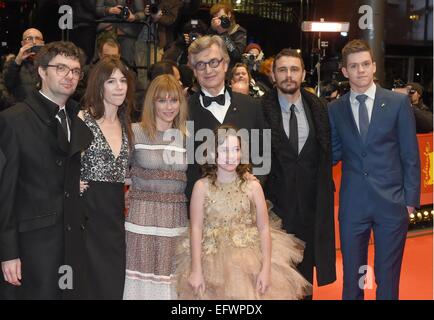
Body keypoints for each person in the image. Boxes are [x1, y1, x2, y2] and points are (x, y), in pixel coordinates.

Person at [328, 39, 420, 300]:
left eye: (366, 64)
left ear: (374, 66)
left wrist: (410, 201)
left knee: (387, 276)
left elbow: (410, 154)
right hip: (353, 205)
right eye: (354, 66)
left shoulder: (397, 103)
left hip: (392, 204)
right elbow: (333, 153)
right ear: (345, 71)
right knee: (353, 277)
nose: (361, 71)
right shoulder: (335, 109)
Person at [0, 41, 92, 299]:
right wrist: (8, 253)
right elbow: (4, 195)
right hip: (33, 249)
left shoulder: (77, 118)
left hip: (71, 245)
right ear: (41, 71)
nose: (69, 76)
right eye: (61, 68)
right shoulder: (13, 121)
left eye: (75, 70)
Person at [176, 125, 312, 299]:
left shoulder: (252, 186)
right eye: (224, 150)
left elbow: (263, 228)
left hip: (249, 262)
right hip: (210, 261)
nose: (231, 156)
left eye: (236, 150)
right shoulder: (201, 187)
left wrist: (266, 269)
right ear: (212, 154)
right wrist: (196, 270)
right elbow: (196, 228)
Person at [261, 49, 336, 298]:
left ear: (303, 74)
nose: (288, 75)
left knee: (305, 285)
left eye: (294, 69)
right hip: (273, 213)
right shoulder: (259, 110)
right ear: (273, 75)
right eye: (282, 70)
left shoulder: (319, 109)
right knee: (272, 283)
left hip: (310, 212)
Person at [123, 74, 189, 300]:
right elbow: (119, 173)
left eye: (174, 100)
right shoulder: (134, 131)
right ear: (152, 102)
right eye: (162, 100)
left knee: (172, 284)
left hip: (175, 222)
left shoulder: (187, 136)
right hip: (141, 220)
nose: (169, 107)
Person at [79, 56, 134, 299]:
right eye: (112, 81)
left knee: (112, 286)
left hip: (114, 217)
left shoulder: (127, 125)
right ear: (99, 85)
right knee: (88, 286)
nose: (119, 87)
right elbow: (62, 164)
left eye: (123, 81)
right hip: (86, 216)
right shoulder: (82, 119)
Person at [185, 35, 264, 200]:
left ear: (225, 64)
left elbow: (264, 158)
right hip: (200, 210)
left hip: (245, 207)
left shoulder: (252, 106)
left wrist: (252, 190)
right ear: (194, 70)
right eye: (200, 64)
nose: (208, 70)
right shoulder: (182, 111)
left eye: (214, 62)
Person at [96, 0, 145, 68]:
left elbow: (142, 13)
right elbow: (97, 9)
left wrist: (134, 17)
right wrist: (109, 10)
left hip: (127, 32)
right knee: (105, 61)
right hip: (107, 28)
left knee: (127, 63)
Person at [2, 28, 44, 102]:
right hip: (21, 107)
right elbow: (7, 84)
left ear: (42, 43)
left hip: (43, 107)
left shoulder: (48, 62)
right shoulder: (13, 62)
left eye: (37, 38)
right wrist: (18, 61)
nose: (34, 42)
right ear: (22, 43)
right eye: (29, 38)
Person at [208, 2, 247, 67]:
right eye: (216, 18)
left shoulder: (239, 31)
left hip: (230, 71)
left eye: (221, 17)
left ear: (229, 14)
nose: (219, 21)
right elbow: (205, 48)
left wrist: (223, 33)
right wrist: (212, 29)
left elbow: (236, 54)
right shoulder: (213, 30)